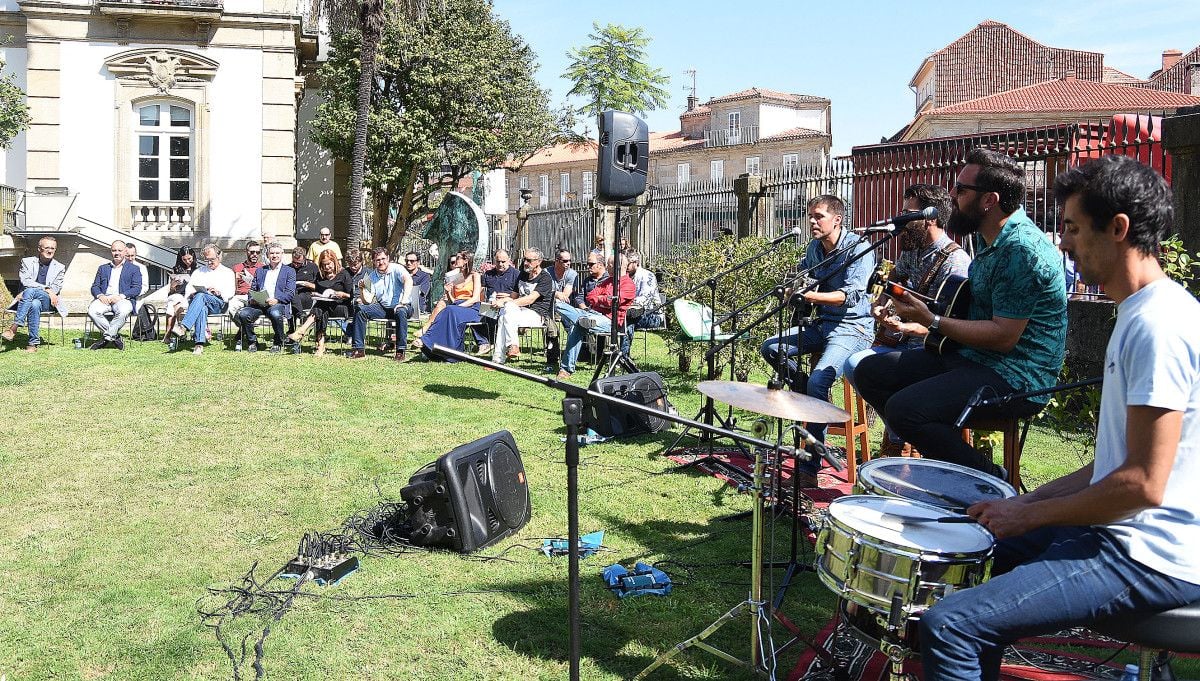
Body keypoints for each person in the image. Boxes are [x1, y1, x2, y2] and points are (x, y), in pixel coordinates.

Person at [919, 155, 1200, 681]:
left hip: (1150, 557)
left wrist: (1028, 517)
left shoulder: (1159, 327)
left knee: (951, 625)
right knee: (977, 543)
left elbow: (1141, 485)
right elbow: (1111, 466)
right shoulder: (1141, 312)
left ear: (1118, 229)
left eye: (1071, 228)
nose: (1063, 243)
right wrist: (1022, 501)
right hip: (1123, 535)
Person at [854, 149, 1067, 478]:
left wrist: (931, 320)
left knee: (904, 409)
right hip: (973, 357)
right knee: (869, 371)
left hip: (1017, 375)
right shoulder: (985, 238)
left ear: (989, 200)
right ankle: (948, 456)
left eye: (961, 190)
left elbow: (1003, 337)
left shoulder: (1021, 250)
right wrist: (930, 309)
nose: (951, 196)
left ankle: (988, 477)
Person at [843, 184, 972, 457]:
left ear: (930, 218)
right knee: (854, 365)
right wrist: (881, 306)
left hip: (930, 347)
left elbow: (950, 325)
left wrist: (909, 326)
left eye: (907, 214)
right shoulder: (911, 251)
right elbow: (895, 282)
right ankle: (898, 436)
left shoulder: (955, 261)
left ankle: (898, 442)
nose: (900, 219)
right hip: (899, 340)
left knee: (880, 372)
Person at [759, 194, 874, 488]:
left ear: (837, 219)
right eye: (810, 216)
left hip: (853, 328)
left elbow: (851, 296)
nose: (812, 221)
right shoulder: (813, 248)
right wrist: (793, 286)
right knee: (771, 346)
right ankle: (805, 393)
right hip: (823, 325)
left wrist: (809, 295)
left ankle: (810, 468)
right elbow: (806, 277)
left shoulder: (859, 248)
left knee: (818, 384)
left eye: (818, 216)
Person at [557, 253, 634, 379]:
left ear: (616, 267)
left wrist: (601, 300)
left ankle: (566, 370)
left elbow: (614, 301)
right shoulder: (607, 281)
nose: (606, 267)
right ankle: (583, 320)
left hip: (610, 321)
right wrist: (603, 300)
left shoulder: (628, 285)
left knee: (577, 327)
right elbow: (590, 296)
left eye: (608, 265)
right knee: (559, 305)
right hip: (590, 313)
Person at [347, 247, 413, 361]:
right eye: (378, 260)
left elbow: (408, 280)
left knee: (400, 311)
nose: (381, 262)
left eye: (383, 259)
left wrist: (403, 302)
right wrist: (362, 289)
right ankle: (359, 349)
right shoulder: (370, 276)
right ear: (373, 261)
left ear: (388, 258)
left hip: (403, 306)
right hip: (384, 308)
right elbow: (367, 301)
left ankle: (400, 351)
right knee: (360, 309)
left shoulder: (397, 268)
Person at [491, 247, 553, 365]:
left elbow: (530, 299)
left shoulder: (545, 278)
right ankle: (509, 349)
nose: (525, 263)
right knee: (504, 316)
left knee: (505, 314)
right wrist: (501, 301)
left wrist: (506, 303)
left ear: (539, 261)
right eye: (525, 259)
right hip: (517, 313)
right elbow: (514, 296)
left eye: (529, 260)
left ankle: (500, 357)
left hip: (536, 315)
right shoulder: (522, 275)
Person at [418, 251, 484, 359]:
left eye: (458, 258)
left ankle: (427, 340)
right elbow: (453, 300)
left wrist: (458, 307)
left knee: (449, 310)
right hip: (456, 307)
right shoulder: (456, 277)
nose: (454, 261)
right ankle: (438, 348)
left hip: (471, 308)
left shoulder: (475, 275)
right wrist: (448, 292)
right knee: (446, 311)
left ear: (466, 261)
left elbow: (475, 298)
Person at [170, 244, 234, 355]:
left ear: (219, 256)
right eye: (206, 260)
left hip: (219, 304)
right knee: (201, 303)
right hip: (201, 303)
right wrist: (195, 292)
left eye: (212, 259)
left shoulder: (227, 272)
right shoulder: (199, 272)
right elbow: (189, 290)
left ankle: (184, 327)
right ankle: (199, 345)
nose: (209, 263)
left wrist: (218, 292)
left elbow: (230, 293)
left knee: (201, 296)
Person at [4, 236, 65, 352]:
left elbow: (56, 288)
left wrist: (48, 291)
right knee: (34, 304)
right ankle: (32, 343)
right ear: (39, 249)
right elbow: (26, 281)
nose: (50, 251)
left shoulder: (60, 267)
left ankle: (14, 327)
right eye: (47, 247)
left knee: (30, 291)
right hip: (31, 300)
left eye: (53, 248)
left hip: (49, 301)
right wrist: (47, 288)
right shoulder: (27, 262)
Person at [234, 242, 297, 353]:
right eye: (272, 253)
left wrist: (277, 299)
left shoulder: (289, 271)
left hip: (277, 303)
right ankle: (252, 342)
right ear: (267, 255)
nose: (274, 256)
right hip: (259, 304)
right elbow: (252, 289)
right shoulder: (260, 270)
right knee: (243, 314)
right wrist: (252, 299)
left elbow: (290, 293)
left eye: (277, 253)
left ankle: (278, 342)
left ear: (282, 254)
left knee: (275, 314)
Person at [290, 249, 354, 356]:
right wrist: (316, 294)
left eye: (329, 264)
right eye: (324, 265)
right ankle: (320, 346)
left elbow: (351, 295)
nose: (327, 267)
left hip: (341, 306)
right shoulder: (321, 275)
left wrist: (341, 294)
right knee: (320, 308)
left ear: (334, 261)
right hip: (325, 305)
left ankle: (304, 332)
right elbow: (319, 290)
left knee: (320, 307)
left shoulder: (344, 274)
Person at [86, 239, 142, 350]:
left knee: (123, 311)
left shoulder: (134, 269)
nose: (117, 253)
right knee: (92, 311)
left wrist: (121, 296)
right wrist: (100, 296)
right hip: (104, 299)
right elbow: (95, 286)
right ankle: (114, 336)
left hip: (122, 299)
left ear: (125, 251)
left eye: (119, 250)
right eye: (114, 250)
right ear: (111, 252)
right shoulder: (103, 268)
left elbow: (137, 288)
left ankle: (106, 338)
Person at [474, 249, 519, 355]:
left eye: (503, 262)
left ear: (509, 260)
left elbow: (520, 295)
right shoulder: (488, 274)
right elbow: (481, 290)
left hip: (508, 306)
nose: (500, 264)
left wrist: (507, 296)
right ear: (494, 261)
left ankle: (501, 344)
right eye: (498, 261)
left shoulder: (516, 274)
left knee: (502, 315)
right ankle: (484, 343)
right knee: (474, 314)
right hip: (490, 305)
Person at [162, 245, 197, 336]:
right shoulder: (176, 269)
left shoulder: (197, 270)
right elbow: (171, 291)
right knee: (175, 300)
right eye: (184, 259)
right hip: (177, 295)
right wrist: (174, 285)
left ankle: (169, 334)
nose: (187, 262)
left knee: (173, 304)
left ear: (193, 256)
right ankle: (179, 331)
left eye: (189, 259)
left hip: (190, 295)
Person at [625, 250, 664, 329]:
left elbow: (645, 299)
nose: (625, 267)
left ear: (636, 263)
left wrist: (625, 303)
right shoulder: (626, 276)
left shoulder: (647, 276)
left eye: (627, 264)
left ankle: (624, 341)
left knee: (627, 320)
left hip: (652, 315)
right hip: (632, 312)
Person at [227, 241, 262, 320]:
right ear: (247, 252)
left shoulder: (263, 268)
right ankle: (245, 327)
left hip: (256, 297)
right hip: (241, 296)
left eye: (258, 252)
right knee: (232, 308)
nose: (255, 255)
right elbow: (232, 287)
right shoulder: (237, 267)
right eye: (252, 252)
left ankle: (245, 330)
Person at [288, 246, 320, 332]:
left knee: (294, 300)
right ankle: (301, 316)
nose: (296, 265)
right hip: (292, 294)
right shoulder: (288, 268)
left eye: (299, 263)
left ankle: (292, 329)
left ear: (305, 259)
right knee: (291, 297)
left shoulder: (312, 267)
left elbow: (319, 285)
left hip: (307, 293)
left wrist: (307, 284)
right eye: (294, 262)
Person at [125, 243, 150, 308]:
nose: (130, 258)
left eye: (132, 255)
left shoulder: (142, 268)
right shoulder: (119, 267)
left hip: (137, 299)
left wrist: (132, 294)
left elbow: (145, 287)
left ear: (136, 254)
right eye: (127, 256)